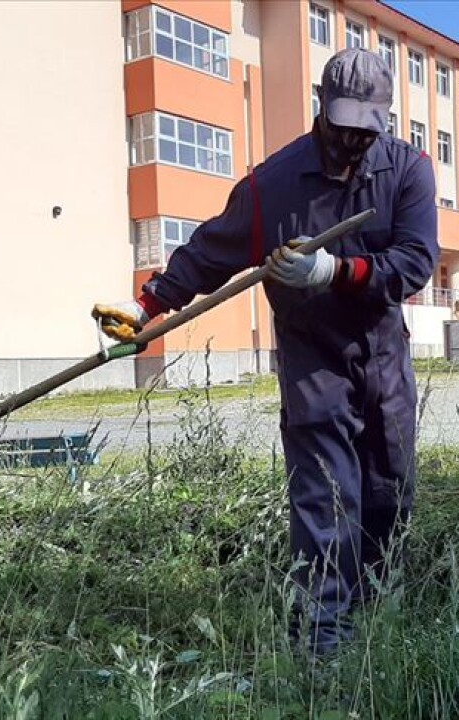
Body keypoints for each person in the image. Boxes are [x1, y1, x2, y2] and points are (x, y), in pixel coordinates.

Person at [93, 48, 438, 655]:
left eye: (366, 128)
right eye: (342, 125)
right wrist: (147, 308)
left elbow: (413, 264)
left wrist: (335, 269)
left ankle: (376, 629)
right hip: (314, 366)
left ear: (383, 119)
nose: (352, 141)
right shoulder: (271, 186)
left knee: (389, 497)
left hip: (383, 361)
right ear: (321, 111)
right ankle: (322, 650)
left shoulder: (408, 171)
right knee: (327, 503)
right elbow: (207, 253)